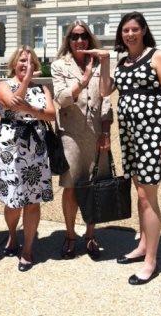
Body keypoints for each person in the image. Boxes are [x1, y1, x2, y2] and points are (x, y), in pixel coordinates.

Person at [105, 11, 161, 285]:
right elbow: (104, 91)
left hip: (152, 134)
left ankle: (151, 261)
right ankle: (143, 245)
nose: (130, 34)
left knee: (148, 197)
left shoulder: (158, 56)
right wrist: (104, 61)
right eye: (125, 30)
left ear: (144, 30)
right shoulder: (124, 61)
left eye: (134, 29)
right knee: (139, 192)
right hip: (130, 135)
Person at [0, 46, 55, 272]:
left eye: (31, 61)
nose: (26, 64)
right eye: (22, 60)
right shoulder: (3, 84)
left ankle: (28, 249)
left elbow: (51, 115)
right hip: (10, 147)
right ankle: (13, 235)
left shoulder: (43, 88)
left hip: (35, 146)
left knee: (32, 201)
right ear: (14, 63)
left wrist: (32, 109)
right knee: (13, 201)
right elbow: (13, 104)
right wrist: (25, 85)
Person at [51, 20, 112, 260]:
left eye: (83, 36)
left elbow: (106, 98)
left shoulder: (99, 64)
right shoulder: (59, 65)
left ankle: (90, 234)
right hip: (71, 134)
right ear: (68, 40)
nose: (79, 41)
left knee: (96, 185)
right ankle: (69, 235)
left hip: (96, 134)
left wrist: (106, 131)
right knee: (71, 187)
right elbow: (61, 98)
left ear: (89, 39)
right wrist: (84, 79)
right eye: (74, 36)